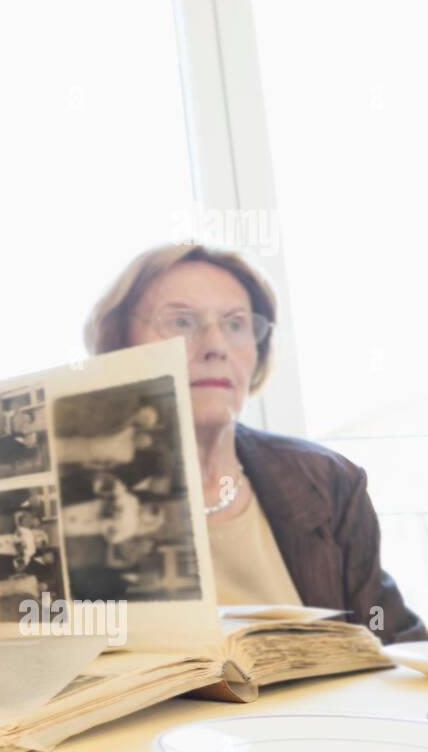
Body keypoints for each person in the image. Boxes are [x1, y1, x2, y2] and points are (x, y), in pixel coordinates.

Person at [84, 242, 425, 643]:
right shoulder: (72, 493)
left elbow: (392, 640)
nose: (215, 346)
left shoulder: (328, 480)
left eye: (235, 324)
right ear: (118, 344)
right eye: (181, 321)